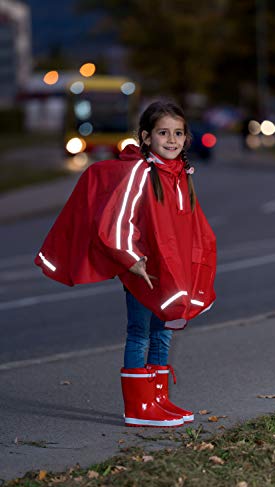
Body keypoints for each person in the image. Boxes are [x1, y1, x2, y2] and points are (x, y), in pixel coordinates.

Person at [35, 101, 216, 428]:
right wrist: (131, 261)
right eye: (163, 133)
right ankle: (138, 407)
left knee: (162, 333)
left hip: (167, 272)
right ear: (146, 137)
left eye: (178, 133)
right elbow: (117, 220)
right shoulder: (140, 172)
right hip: (142, 271)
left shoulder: (179, 175)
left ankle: (158, 400)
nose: (171, 140)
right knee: (140, 333)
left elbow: (187, 226)